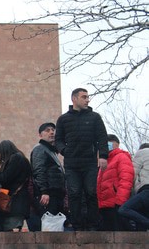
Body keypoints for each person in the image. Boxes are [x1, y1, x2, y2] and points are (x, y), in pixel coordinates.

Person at [55, 88, 109, 231]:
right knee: (74, 193)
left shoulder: (95, 117)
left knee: (91, 192)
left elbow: (102, 138)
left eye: (87, 97)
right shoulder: (63, 119)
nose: (87, 100)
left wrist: (103, 156)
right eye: (84, 97)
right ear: (74, 99)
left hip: (90, 162)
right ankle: (77, 225)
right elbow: (58, 140)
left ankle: (93, 225)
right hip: (72, 164)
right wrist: (65, 151)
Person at [96, 134, 134, 231]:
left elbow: (126, 180)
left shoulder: (121, 157)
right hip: (104, 206)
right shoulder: (105, 161)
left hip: (115, 204)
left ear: (115, 144)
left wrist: (120, 201)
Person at [0, 140, 32, 231]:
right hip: (19, 201)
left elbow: (6, 177)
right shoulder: (21, 158)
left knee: (11, 230)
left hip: (14, 202)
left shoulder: (16, 158)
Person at [30, 123, 66, 218]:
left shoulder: (51, 151)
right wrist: (44, 192)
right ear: (40, 135)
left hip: (56, 194)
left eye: (53, 130)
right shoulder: (40, 149)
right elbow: (39, 171)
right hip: (48, 195)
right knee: (50, 224)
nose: (51, 132)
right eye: (47, 130)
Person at [118, 143, 149, 230]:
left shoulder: (141, 153)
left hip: (145, 190)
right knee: (142, 217)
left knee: (124, 209)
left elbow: (133, 173)